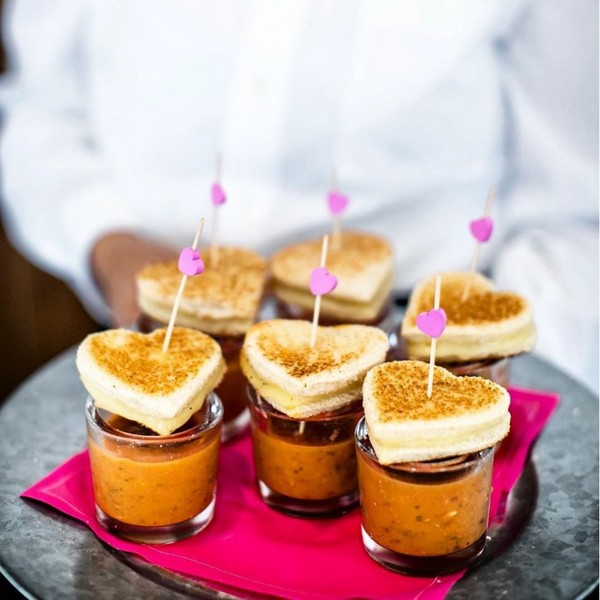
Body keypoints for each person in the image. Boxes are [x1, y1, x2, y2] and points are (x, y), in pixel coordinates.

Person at [0, 1, 597, 392]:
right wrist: (105, 240)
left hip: (427, 357)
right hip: (151, 347)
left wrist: (489, 395)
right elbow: (39, 109)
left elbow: (573, 211)